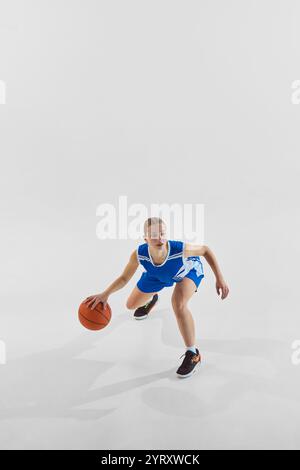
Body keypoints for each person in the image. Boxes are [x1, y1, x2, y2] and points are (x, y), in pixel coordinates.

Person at [84, 217, 229, 378]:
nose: (159, 238)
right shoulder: (139, 254)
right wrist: (105, 294)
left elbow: (205, 250)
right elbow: (124, 278)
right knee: (131, 305)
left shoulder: (179, 249)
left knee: (178, 304)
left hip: (187, 272)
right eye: (154, 235)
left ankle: (193, 354)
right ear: (145, 238)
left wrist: (219, 278)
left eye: (162, 233)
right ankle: (151, 299)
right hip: (158, 275)